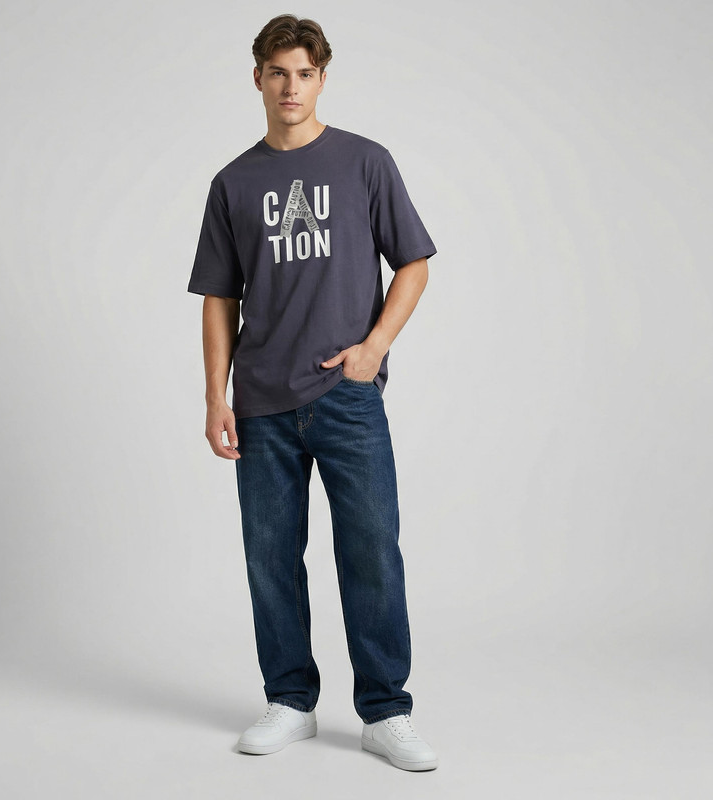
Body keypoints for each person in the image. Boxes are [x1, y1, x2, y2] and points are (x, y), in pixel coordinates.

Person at [188, 14, 439, 772]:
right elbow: (219, 298)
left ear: (322, 80)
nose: (290, 87)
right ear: (257, 79)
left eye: (304, 73)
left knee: (372, 552)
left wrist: (374, 347)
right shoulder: (233, 183)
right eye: (278, 73)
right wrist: (216, 396)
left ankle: (386, 712)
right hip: (262, 403)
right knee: (270, 558)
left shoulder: (365, 162)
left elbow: (415, 263)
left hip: (346, 398)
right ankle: (291, 701)